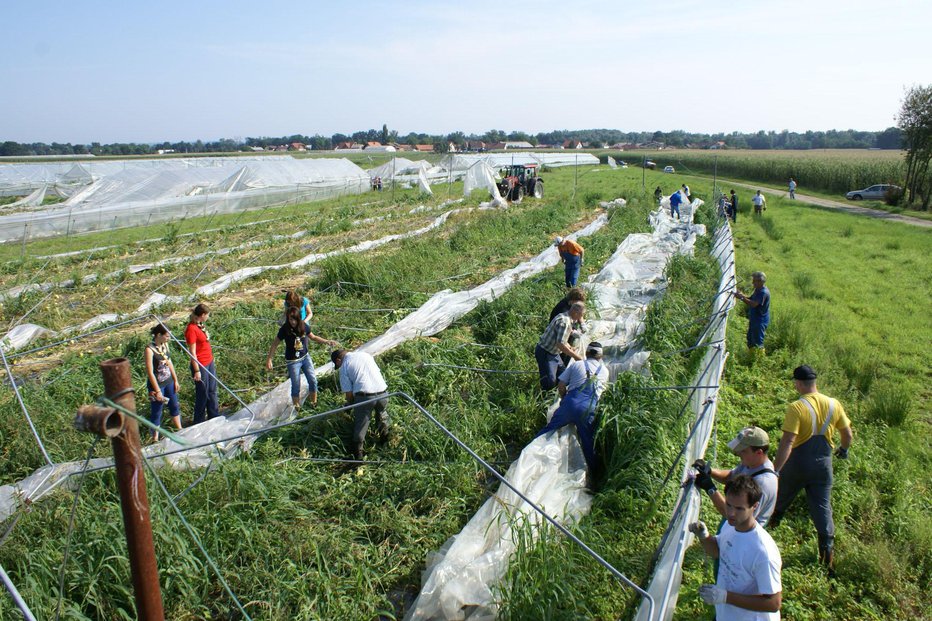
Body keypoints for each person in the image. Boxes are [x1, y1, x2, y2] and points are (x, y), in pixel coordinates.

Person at [770, 365, 853, 574]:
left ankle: (767, 532)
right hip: (823, 466)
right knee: (823, 509)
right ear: (815, 383)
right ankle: (827, 558)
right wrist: (843, 450)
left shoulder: (796, 407)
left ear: (798, 384)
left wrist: (775, 470)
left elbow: (788, 441)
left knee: (779, 499)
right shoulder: (834, 404)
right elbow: (848, 435)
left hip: (797, 463)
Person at [689, 475, 783, 620]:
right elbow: (718, 552)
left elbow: (773, 603)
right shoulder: (730, 526)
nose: (731, 513)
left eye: (739, 508)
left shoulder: (763, 552)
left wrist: (726, 597)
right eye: (728, 505)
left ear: (755, 506)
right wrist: (704, 536)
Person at [535, 341, 609, 471]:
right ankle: (595, 473)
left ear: (586, 353)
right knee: (588, 442)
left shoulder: (577, 365)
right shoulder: (605, 371)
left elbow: (561, 385)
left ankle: (529, 450)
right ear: (600, 357)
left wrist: (564, 399)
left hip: (570, 404)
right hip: (588, 409)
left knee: (548, 430)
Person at [693, 426, 779, 526]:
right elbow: (730, 476)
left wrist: (710, 489)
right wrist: (709, 471)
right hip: (732, 525)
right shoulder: (750, 463)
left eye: (743, 450)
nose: (738, 453)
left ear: (758, 452)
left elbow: (736, 516)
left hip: (743, 535)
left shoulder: (763, 483)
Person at [266, 306, 337, 409]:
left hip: (305, 358)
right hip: (293, 361)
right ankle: (297, 407)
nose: (293, 322)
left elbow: (313, 337)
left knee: (313, 380)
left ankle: (314, 403)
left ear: (298, 318)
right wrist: (269, 359)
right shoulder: (284, 329)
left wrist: (326, 341)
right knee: (296, 385)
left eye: (295, 319)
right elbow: (275, 344)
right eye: (290, 319)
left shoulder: (303, 326)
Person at [331, 348, 391, 462]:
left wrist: (349, 405)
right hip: (383, 393)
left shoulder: (344, 366)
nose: (338, 366)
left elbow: (348, 394)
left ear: (338, 360)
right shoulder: (365, 355)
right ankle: (385, 445)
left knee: (361, 424)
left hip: (365, 397)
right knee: (382, 416)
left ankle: (358, 456)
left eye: (337, 364)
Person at [534, 301, 585, 391]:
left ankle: (558, 392)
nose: (580, 318)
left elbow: (561, 339)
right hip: (546, 352)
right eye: (580, 315)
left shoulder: (565, 316)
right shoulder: (565, 322)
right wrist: (576, 357)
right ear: (575, 312)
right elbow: (560, 344)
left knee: (563, 374)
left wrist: (570, 347)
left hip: (554, 352)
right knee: (550, 381)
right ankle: (545, 397)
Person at [144, 324, 182, 441]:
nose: (168, 338)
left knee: (174, 405)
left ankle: (180, 429)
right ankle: (155, 438)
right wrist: (157, 391)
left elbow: (170, 363)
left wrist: (175, 380)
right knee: (157, 410)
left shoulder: (165, 345)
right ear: (159, 335)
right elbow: (150, 372)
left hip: (168, 381)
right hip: (157, 385)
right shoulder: (149, 350)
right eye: (166, 336)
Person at [185, 303, 220, 424]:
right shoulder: (191, 329)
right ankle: (199, 422)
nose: (208, 317)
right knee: (203, 394)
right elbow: (192, 353)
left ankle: (214, 416)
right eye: (208, 315)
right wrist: (196, 370)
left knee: (212, 391)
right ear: (203, 315)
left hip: (209, 361)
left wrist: (211, 358)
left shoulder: (199, 325)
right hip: (201, 365)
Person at [549, 287, 587, 367]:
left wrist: (582, 324)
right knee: (563, 356)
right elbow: (561, 343)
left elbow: (579, 312)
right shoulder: (562, 310)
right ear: (573, 300)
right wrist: (573, 332)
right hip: (555, 341)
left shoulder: (573, 305)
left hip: (564, 338)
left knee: (565, 358)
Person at [734, 272, 770, 350]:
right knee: (750, 339)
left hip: (760, 321)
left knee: (757, 343)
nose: (753, 282)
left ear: (761, 281)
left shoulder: (763, 292)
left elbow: (754, 304)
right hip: (755, 319)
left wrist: (741, 298)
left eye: (755, 281)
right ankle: (751, 356)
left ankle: (758, 359)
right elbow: (751, 299)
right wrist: (742, 295)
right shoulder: (758, 290)